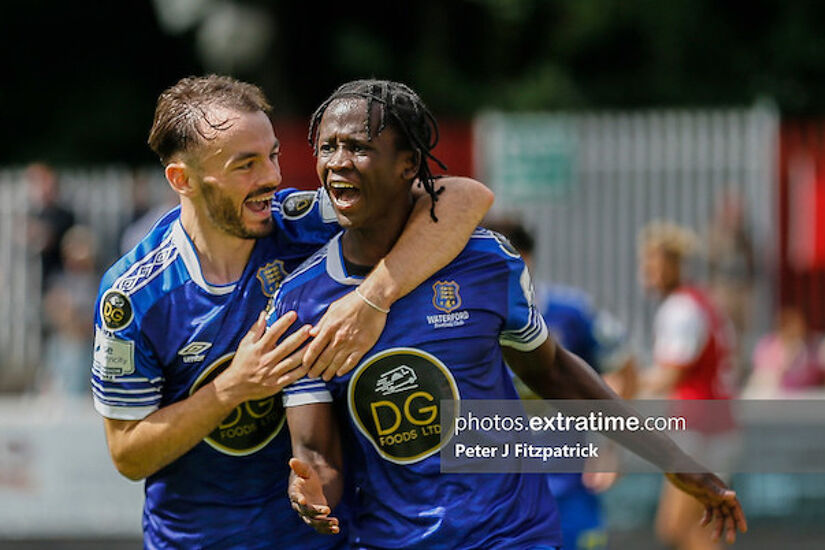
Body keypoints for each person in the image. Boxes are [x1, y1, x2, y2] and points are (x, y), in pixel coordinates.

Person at [271, 80, 747, 549]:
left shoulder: (487, 262)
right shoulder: (301, 299)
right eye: (328, 146)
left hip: (510, 533)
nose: (337, 162)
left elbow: (554, 369)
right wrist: (313, 493)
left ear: (409, 164)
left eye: (358, 147)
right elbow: (318, 453)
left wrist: (671, 458)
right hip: (391, 538)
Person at [91, 74, 493, 549]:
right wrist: (232, 387)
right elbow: (129, 455)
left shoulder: (301, 222)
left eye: (273, 155)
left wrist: (371, 298)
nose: (273, 179)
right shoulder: (132, 296)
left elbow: (465, 196)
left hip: (324, 536)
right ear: (183, 179)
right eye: (246, 165)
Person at [485, 219, 637, 550]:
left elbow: (623, 369)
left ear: (523, 258)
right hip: (496, 492)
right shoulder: (464, 320)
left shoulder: (570, 311)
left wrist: (609, 448)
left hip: (568, 484)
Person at [638, 221, 739, 550]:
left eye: (653, 261)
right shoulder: (702, 302)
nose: (647, 270)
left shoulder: (681, 309)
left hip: (699, 427)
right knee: (694, 529)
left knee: (678, 528)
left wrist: (618, 382)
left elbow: (670, 374)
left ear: (673, 264)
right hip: (717, 424)